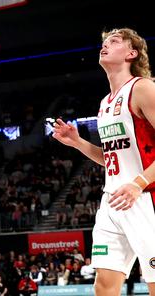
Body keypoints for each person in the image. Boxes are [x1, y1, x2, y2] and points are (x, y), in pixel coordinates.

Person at [52, 28, 155, 296]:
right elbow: (112, 157)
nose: (105, 45)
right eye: (105, 42)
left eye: (115, 41)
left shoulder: (143, 88)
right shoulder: (105, 103)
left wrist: (139, 182)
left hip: (146, 198)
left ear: (131, 54)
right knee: (105, 285)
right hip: (113, 201)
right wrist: (78, 143)